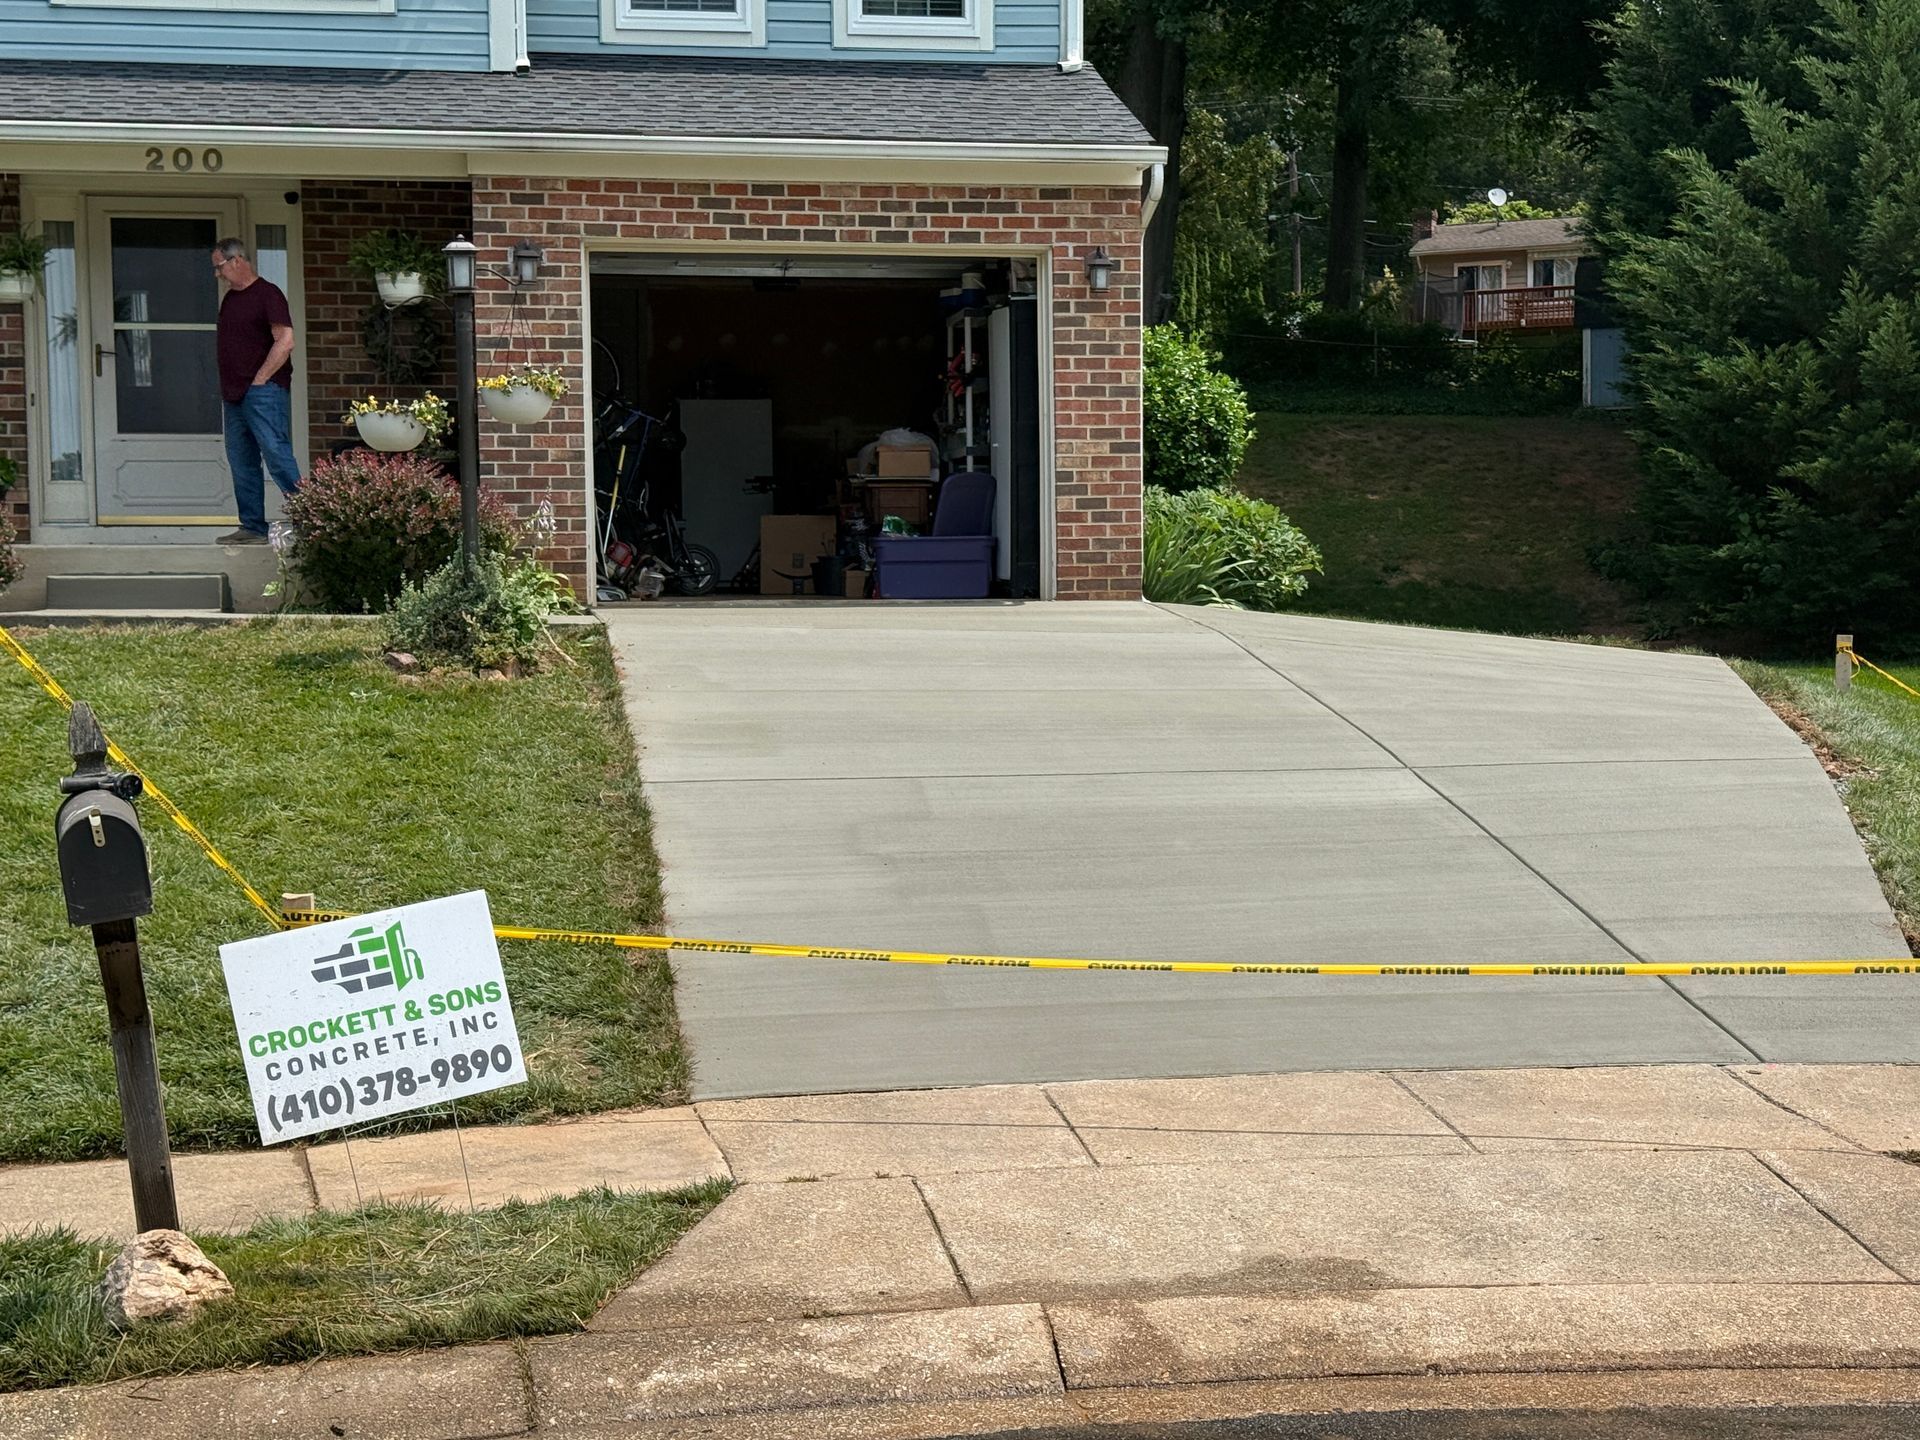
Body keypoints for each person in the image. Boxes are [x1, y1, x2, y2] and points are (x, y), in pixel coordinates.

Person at [211, 238, 300, 545]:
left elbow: (285, 341)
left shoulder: (267, 294)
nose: (217, 274)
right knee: (241, 460)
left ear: (237, 261)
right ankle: (252, 527)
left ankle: (310, 520)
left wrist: (260, 379)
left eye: (219, 267)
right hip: (234, 395)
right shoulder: (230, 300)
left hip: (264, 392)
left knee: (276, 454)